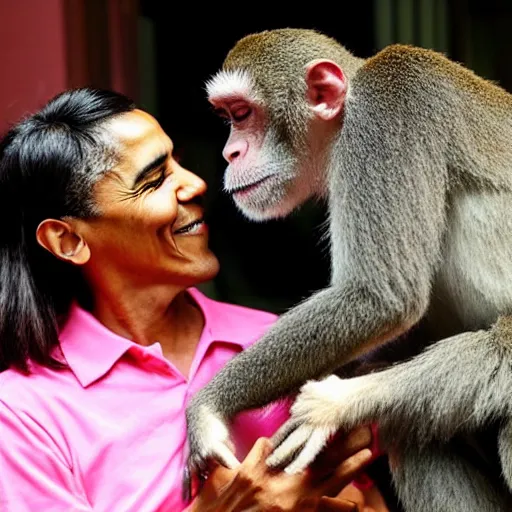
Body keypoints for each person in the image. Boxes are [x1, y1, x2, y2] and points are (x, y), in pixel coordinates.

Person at [0, 88, 388, 511]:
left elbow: (365, 494)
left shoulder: (271, 339)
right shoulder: (22, 415)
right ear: (68, 239)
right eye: (153, 180)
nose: (197, 183)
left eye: (177, 162)